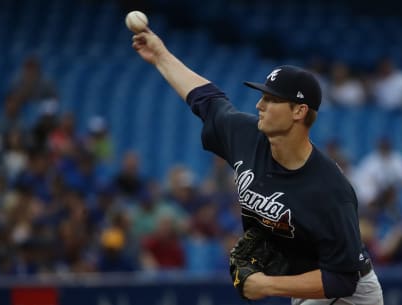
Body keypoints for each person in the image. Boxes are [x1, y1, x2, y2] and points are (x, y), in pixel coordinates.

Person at [132, 29, 383, 304]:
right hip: (304, 283)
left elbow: (342, 279)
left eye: (271, 99)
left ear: (298, 111)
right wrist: (160, 56)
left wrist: (267, 285)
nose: (259, 104)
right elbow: (204, 99)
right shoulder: (247, 135)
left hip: (349, 296)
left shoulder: (330, 190)